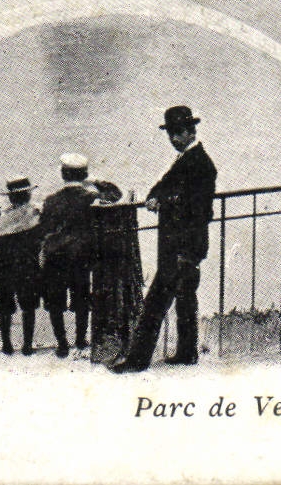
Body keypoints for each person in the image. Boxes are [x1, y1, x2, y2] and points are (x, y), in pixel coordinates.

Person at [110, 106, 218, 373]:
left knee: (155, 302)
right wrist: (155, 196)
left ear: (190, 132)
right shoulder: (185, 160)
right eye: (170, 133)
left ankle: (137, 360)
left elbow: (199, 210)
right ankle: (187, 352)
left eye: (176, 133)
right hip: (182, 246)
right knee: (185, 298)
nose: (172, 138)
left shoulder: (202, 165)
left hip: (183, 246)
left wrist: (165, 202)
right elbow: (162, 185)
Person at [38, 153, 120, 357]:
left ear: (62, 174)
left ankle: (62, 344)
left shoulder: (51, 201)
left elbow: (44, 229)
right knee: (82, 298)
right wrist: (95, 181)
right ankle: (81, 340)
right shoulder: (90, 197)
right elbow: (115, 194)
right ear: (84, 174)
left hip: (56, 256)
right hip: (81, 255)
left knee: (56, 301)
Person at [0, 176, 44, 356]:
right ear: (27, 194)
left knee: (5, 305)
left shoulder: (3, 217)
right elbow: (40, 239)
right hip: (28, 265)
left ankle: (7, 344)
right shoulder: (35, 213)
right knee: (28, 306)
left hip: (6, 267)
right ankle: (27, 345)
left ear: (11, 197)